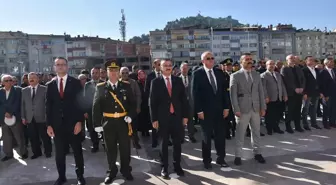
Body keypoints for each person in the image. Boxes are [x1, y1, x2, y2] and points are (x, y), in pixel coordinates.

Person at [92, 60, 136, 184]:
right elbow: (96, 107)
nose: (113, 73)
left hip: (123, 122)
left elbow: (133, 104)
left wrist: (130, 116)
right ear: (106, 72)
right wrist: (97, 124)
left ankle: (126, 170)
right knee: (110, 149)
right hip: (108, 123)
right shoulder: (100, 87)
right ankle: (111, 171)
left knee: (125, 149)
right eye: (110, 70)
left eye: (115, 70)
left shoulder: (126, 86)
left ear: (119, 72)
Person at [46, 57, 85, 185]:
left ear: (67, 67)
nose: (61, 67)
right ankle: (61, 177)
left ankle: (80, 177)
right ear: (54, 67)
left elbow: (80, 104)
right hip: (57, 125)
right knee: (59, 154)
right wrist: (49, 125)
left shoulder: (75, 82)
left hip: (73, 124)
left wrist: (79, 122)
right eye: (58, 65)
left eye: (63, 64)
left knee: (77, 152)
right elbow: (48, 106)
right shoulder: (50, 85)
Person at [149, 59, 189, 179]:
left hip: (177, 117)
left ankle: (177, 166)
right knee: (163, 144)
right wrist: (154, 119)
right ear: (160, 68)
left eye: (170, 65)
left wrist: (185, 116)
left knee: (177, 144)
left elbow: (183, 100)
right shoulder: (155, 82)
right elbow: (152, 102)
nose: (168, 67)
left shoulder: (178, 80)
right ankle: (164, 167)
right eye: (165, 66)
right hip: (162, 119)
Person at [192, 51, 230, 169]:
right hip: (205, 112)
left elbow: (224, 91)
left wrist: (226, 107)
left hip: (219, 111)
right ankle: (207, 160)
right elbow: (195, 94)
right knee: (206, 138)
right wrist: (198, 111)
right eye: (208, 58)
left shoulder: (219, 72)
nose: (211, 60)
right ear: (203, 61)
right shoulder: (197, 74)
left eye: (212, 58)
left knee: (220, 136)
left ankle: (221, 158)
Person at [230, 53, 266, 166]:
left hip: (255, 108)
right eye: (247, 59)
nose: (250, 61)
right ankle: (238, 155)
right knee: (240, 134)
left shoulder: (256, 74)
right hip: (242, 109)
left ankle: (257, 153)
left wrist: (263, 107)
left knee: (256, 132)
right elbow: (233, 95)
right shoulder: (235, 76)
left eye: (251, 59)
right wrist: (236, 109)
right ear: (241, 62)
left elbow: (261, 92)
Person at [21, 72, 52, 159]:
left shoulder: (44, 89)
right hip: (29, 118)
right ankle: (36, 153)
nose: (31, 79)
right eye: (29, 77)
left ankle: (48, 151)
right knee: (33, 137)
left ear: (38, 79)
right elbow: (22, 105)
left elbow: (48, 104)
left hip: (42, 117)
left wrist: (47, 116)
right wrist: (23, 117)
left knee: (45, 136)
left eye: (33, 77)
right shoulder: (24, 90)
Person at [0, 75, 28, 161]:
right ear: (2, 82)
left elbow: (18, 103)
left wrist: (11, 113)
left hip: (15, 117)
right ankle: (8, 154)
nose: (9, 82)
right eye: (6, 80)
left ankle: (23, 153)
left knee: (19, 136)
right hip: (4, 118)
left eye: (10, 80)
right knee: (6, 137)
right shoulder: (0, 91)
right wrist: (5, 113)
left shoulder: (18, 90)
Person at [260, 60, 287, 135]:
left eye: (273, 64)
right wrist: (266, 97)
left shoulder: (278, 74)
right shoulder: (263, 75)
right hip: (270, 98)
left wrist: (285, 95)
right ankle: (269, 129)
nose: (271, 65)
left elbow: (282, 85)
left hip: (279, 97)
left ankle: (276, 127)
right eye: (269, 64)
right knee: (269, 115)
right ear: (266, 66)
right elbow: (263, 87)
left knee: (277, 114)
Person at [281, 54, 306, 133]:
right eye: (290, 58)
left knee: (298, 110)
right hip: (290, 93)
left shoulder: (298, 68)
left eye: (293, 58)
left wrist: (302, 88)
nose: (292, 59)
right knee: (289, 111)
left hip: (299, 93)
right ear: (287, 60)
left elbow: (303, 79)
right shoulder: (284, 69)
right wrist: (295, 88)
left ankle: (298, 126)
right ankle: (288, 127)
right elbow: (286, 81)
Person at [120, 66, 142, 149]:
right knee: (122, 128)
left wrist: (138, 106)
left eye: (126, 72)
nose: (125, 74)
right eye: (123, 73)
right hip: (121, 109)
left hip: (132, 108)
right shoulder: (117, 83)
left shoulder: (133, 82)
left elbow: (138, 95)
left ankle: (136, 142)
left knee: (134, 127)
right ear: (120, 74)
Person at [83, 67, 103, 153]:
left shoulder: (104, 83)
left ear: (100, 73)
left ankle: (105, 144)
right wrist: (85, 111)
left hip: (102, 111)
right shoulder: (87, 85)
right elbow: (85, 99)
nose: (95, 75)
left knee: (103, 127)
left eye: (96, 73)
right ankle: (95, 145)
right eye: (93, 73)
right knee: (92, 128)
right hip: (91, 111)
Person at [145, 59, 161, 148]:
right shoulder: (150, 76)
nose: (160, 66)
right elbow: (146, 90)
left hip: (164, 104)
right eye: (158, 64)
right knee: (155, 122)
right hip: (154, 104)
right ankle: (154, 141)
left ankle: (166, 139)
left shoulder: (165, 75)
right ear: (154, 65)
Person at [179, 62, 197, 143]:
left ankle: (191, 136)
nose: (185, 70)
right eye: (183, 68)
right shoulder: (177, 79)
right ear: (180, 69)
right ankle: (181, 137)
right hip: (181, 105)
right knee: (181, 121)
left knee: (191, 121)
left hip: (190, 104)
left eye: (186, 68)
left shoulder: (192, 79)